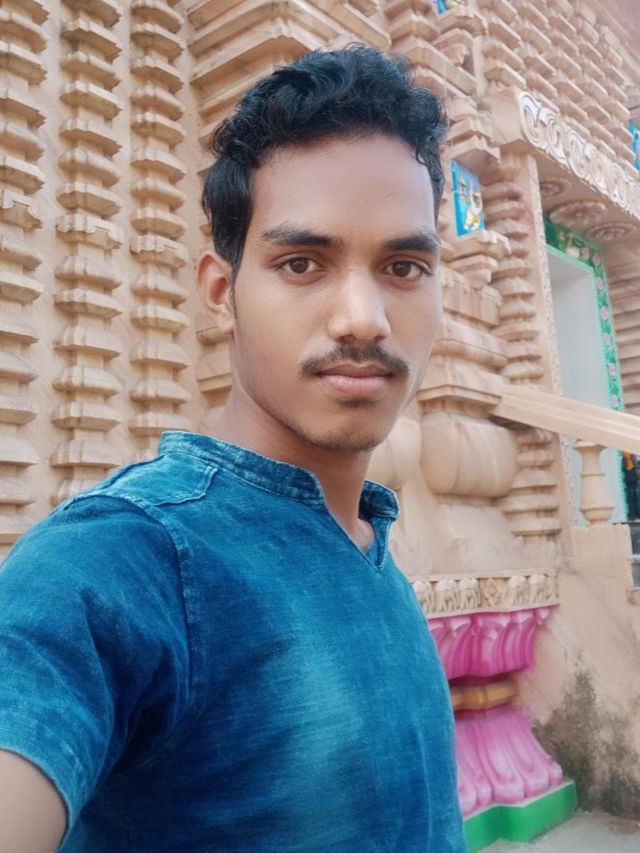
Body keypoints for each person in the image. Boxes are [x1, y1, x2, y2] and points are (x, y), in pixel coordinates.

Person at [0, 45, 465, 852]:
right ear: (223, 293)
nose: (363, 317)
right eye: (302, 262)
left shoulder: (369, 542)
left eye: (402, 266)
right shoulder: (126, 557)